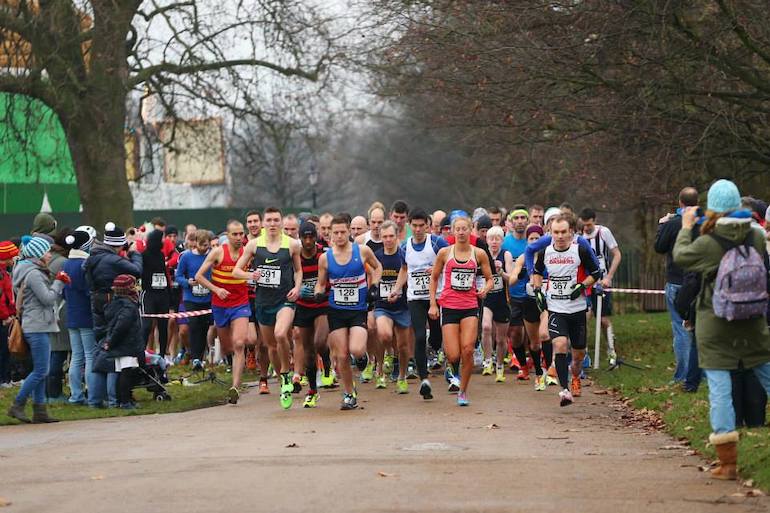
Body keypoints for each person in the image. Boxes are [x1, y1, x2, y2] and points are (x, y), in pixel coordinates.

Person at [673, 179, 770, 481]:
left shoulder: (706, 241)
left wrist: (687, 225)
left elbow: (681, 256)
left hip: (715, 321)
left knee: (720, 389)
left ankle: (728, 464)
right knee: (766, 371)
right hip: (753, 319)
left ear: (711, 207)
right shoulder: (754, 235)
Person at [233, 207, 302, 410]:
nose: (272, 224)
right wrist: (250, 276)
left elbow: (298, 271)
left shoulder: (292, 245)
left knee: (281, 334)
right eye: (269, 220)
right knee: (271, 346)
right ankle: (284, 379)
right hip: (263, 302)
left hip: (285, 300)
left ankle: (287, 372)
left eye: (276, 220)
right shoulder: (254, 245)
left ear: (281, 223)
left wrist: (297, 288)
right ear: (263, 223)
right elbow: (237, 270)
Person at [315, 214, 383, 410]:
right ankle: (349, 393)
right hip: (336, 310)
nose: (339, 236)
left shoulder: (362, 251)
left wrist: (374, 286)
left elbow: (377, 268)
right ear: (330, 235)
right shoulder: (325, 258)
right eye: (335, 233)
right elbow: (320, 284)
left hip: (358, 310)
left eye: (343, 232)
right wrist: (319, 294)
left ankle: (362, 358)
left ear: (348, 232)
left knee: (356, 349)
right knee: (342, 355)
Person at [532, 214, 601, 407]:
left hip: (577, 310)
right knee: (560, 345)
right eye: (556, 232)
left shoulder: (579, 251)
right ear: (550, 233)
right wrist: (538, 290)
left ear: (571, 232)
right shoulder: (545, 252)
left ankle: (575, 376)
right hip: (556, 308)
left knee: (578, 355)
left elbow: (596, 273)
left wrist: (581, 286)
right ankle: (564, 390)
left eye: (563, 232)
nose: (560, 236)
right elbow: (537, 272)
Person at [429, 215, 494, 406]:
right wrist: (433, 304)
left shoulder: (479, 253)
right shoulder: (444, 253)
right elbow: (433, 278)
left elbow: (490, 278)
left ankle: (463, 391)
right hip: (449, 306)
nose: (461, 232)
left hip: (469, 307)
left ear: (470, 230)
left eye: (465, 228)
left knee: (467, 350)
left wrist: (485, 289)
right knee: (453, 354)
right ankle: (453, 371)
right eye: (458, 229)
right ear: (452, 231)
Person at [7, 236, 70, 423]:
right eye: (47, 251)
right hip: (37, 325)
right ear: (38, 254)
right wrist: (59, 282)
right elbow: (48, 299)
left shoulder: (28, 270)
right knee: (42, 370)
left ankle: (39, 410)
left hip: (35, 323)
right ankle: (17, 404)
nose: (50, 254)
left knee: (40, 368)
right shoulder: (34, 273)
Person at [84, 222, 141, 407]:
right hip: (111, 304)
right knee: (111, 353)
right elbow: (136, 271)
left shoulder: (93, 257)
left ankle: (95, 399)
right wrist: (135, 253)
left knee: (99, 351)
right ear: (117, 245)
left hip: (96, 302)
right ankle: (113, 399)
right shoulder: (112, 260)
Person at [195, 220, 251, 404]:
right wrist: (216, 289)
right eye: (234, 234)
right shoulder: (218, 252)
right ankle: (232, 368)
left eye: (241, 234)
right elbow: (199, 276)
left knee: (240, 343)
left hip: (240, 304)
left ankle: (235, 386)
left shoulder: (247, 252)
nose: (238, 237)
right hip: (220, 305)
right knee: (227, 348)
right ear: (227, 235)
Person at [400, 208, 449, 397]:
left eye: (422, 226)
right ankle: (424, 380)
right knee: (419, 336)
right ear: (410, 226)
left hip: (437, 296)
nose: (418, 229)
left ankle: (437, 350)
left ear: (428, 226)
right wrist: (397, 289)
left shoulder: (437, 242)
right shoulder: (405, 246)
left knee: (436, 336)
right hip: (415, 298)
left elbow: (450, 262)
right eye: (415, 226)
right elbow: (404, 270)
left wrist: (437, 270)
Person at [655, 187, 700, 385]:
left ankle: (683, 374)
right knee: (701, 329)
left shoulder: (673, 224)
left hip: (676, 280)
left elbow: (659, 247)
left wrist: (661, 226)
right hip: (699, 281)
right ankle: (701, 373)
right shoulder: (705, 222)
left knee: (680, 329)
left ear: (680, 202)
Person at [294, 221, 331, 407]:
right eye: (304, 237)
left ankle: (326, 361)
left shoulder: (323, 255)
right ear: (300, 238)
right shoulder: (296, 257)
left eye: (311, 237)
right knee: (308, 352)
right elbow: (290, 279)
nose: (308, 241)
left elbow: (331, 278)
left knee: (320, 342)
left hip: (322, 304)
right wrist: (298, 290)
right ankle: (312, 390)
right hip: (303, 306)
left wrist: (321, 291)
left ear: (316, 237)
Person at [510, 224, 552, 390]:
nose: (534, 241)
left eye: (537, 238)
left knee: (545, 334)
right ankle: (539, 373)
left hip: (547, 300)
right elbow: (512, 279)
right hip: (529, 300)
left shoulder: (549, 255)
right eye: (531, 239)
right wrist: (517, 275)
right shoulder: (522, 258)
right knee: (534, 344)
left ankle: (549, 371)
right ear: (527, 241)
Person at [579, 208, 622, 366]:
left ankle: (611, 350)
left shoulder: (603, 232)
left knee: (603, 320)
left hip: (602, 284)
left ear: (594, 221)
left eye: (589, 225)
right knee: (585, 317)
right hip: (585, 284)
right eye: (584, 225)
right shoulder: (579, 236)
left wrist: (609, 277)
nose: (586, 228)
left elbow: (617, 254)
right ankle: (583, 354)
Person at [374, 221, 412, 393]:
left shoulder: (404, 256)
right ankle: (381, 369)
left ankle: (402, 376)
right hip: (382, 306)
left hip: (402, 306)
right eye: (385, 237)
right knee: (384, 335)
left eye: (391, 236)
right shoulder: (376, 257)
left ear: (397, 236)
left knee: (403, 346)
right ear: (380, 238)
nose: (388, 240)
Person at [63, 229, 97, 405]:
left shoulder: (66, 264)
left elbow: (63, 292)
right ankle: (92, 394)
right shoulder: (85, 264)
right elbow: (88, 291)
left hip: (71, 315)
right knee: (90, 356)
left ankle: (75, 395)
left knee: (76, 356)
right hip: (86, 315)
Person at [104, 274, 145, 409]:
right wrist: (111, 341)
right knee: (126, 373)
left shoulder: (114, 303)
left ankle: (121, 400)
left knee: (121, 372)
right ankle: (125, 401)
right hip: (127, 343)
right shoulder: (128, 306)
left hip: (119, 343)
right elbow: (122, 325)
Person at [175, 229, 213, 368]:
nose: (204, 248)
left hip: (207, 298)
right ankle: (195, 357)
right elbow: (178, 276)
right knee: (193, 325)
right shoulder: (186, 257)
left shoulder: (211, 255)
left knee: (203, 327)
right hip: (190, 297)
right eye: (202, 244)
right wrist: (188, 282)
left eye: (207, 245)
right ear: (195, 243)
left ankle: (200, 358)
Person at [502, 206, 531, 377]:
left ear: (528, 221)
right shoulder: (505, 242)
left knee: (532, 332)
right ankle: (519, 359)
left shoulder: (532, 241)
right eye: (517, 218)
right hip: (513, 294)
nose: (520, 221)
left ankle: (530, 361)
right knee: (516, 332)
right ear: (511, 222)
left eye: (523, 218)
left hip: (532, 294)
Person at [481, 226, 513, 381]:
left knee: (501, 339)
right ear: (486, 240)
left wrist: (501, 272)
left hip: (502, 299)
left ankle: (499, 366)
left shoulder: (506, 254)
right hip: (487, 298)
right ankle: (487, 361)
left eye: (497, 239)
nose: (494, 242)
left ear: (502, 240)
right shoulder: (482, 254)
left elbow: (512, 279)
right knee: (486, 327)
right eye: (491, 238)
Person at [46, 229, 72, 403]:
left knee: (53, 352)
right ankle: (54, 393)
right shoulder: (63, 262)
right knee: (59, 352)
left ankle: (49, 392)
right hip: (60, 310)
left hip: (50, 310)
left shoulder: (52, 258)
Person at [140, 229, 171, 361]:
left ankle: (162, 354)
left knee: (163, 326)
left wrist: (168, 292)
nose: (164, 241)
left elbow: (164, 274)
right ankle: (140, 353)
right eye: (162, 238)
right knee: (146, 325)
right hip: (149, 294)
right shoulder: (144, 255)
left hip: (162, 294)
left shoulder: (160, 255)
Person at [0, 241, 19, 388]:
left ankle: (5, 378)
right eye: (12, 257)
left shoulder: (4, 273)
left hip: (6, 316)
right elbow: (1, 298)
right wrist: (6, 315)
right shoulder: (1, 275)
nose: (14, 260)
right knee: (3, 350)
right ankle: (3, 379)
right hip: (3, 318)